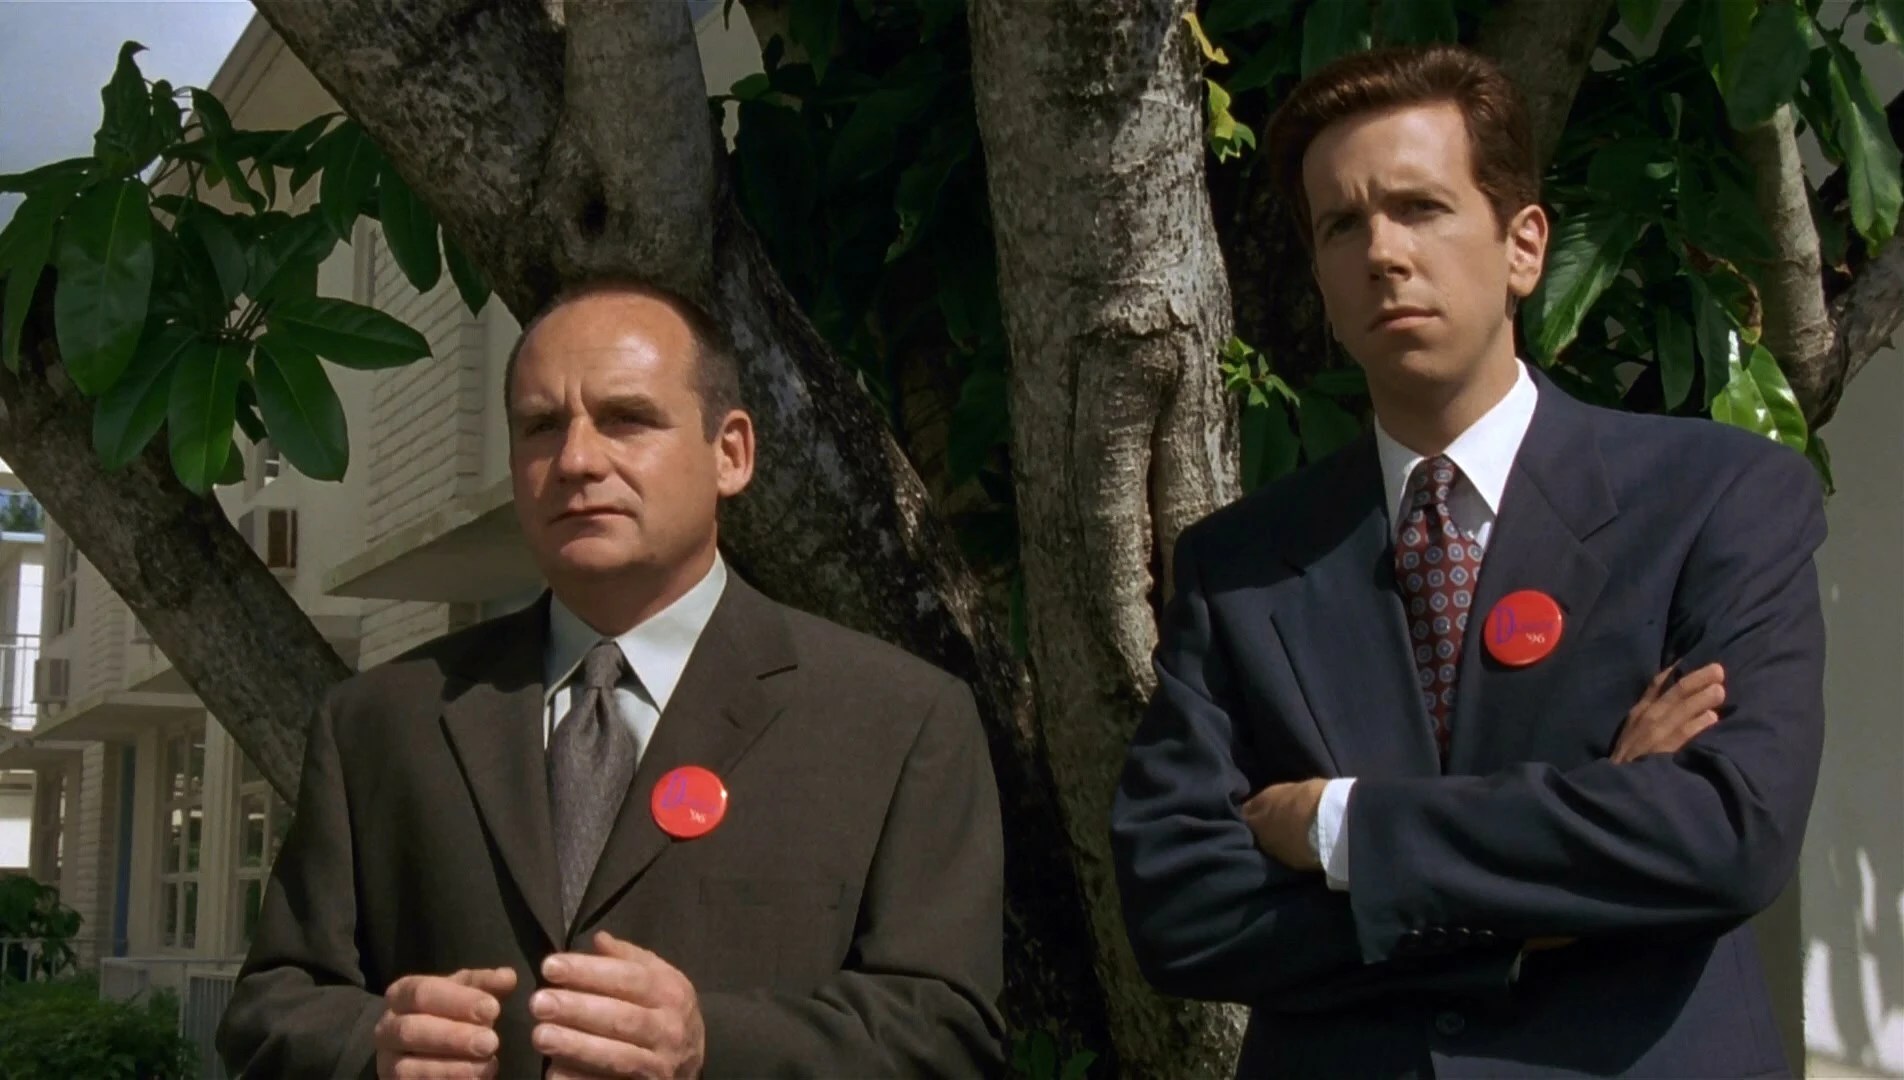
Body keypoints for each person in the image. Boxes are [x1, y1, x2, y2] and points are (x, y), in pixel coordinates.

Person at [1111, 44, 1824, 1078]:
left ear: (1524, 246)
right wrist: (1558, 888)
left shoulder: (1715, 499)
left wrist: (1342, 828)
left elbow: (1725, 833)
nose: (1382, 253)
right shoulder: (1243, 565)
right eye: (1341, 225)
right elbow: (1179, 909)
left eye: (1420, 208)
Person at [219, 281, 1006, 1078]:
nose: (576, 460)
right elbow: (271, 1010)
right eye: (541, 427)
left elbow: (945, 1035)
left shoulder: (895, 722)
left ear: (731, 453)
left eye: (626, 419)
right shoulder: (383, 721)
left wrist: (712, 1044)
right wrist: (376, 1048)